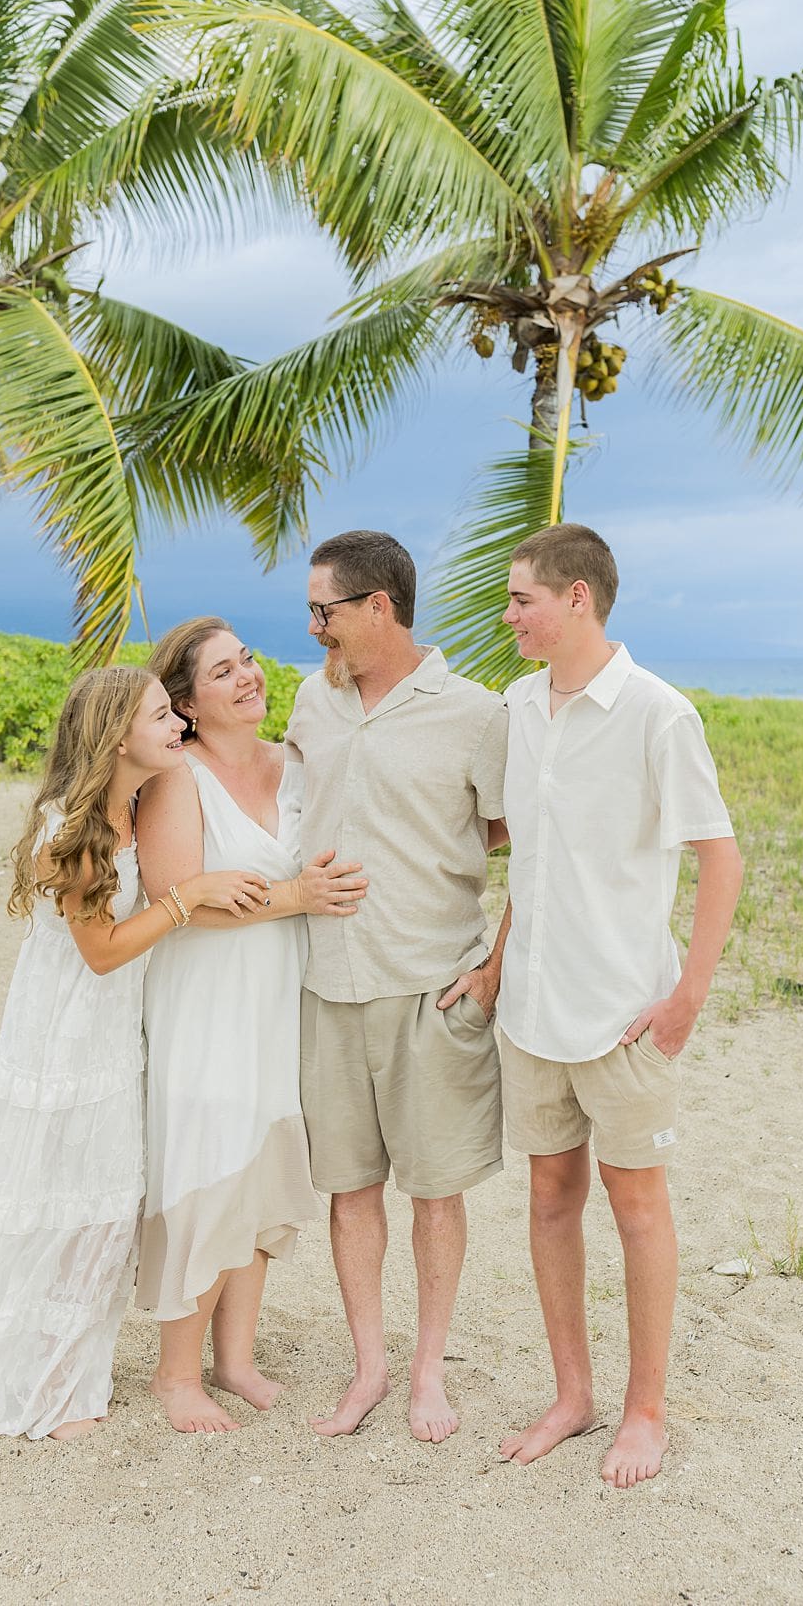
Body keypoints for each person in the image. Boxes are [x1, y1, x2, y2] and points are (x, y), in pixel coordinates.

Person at [442, 524, 743, 1488]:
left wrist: (687, 997)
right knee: (549, 1197)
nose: (508, 615)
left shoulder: (659, 713)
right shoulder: (519, 706)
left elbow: (721, 859)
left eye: (521, 598)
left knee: (638, 1206)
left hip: (623, 1012)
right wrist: (497, 966)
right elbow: (532, 862)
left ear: (578, 598)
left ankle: (645, 1410)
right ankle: (572, 1395)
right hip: (533, 1007)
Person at [0, 667, 270, 1448]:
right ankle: (39, 1384)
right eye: (161, 715)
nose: (178, 724)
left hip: (111, 1034)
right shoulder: (70, 829)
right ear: (116, 737)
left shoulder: (136, 805)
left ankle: (67, 1372)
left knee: (101, 1208)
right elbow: (102, 952)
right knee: (56, 1200)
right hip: (65, 1037)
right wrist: (188, 896)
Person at [286, 530, 509, 1444]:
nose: (313, 629)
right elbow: (292, 805)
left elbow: (515, 833)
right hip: (326, 982)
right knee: (349, 1189)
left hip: (431, 986)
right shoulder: (311, 699)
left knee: (436, 1191)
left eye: (324, 611)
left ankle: (429, 1370)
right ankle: (370, 1367)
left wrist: (494, 968)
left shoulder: (476, 713)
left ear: (379, 606)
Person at [135, 619, 368, 1434]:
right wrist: (296, 896)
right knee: (209, 1167)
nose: (247, 677)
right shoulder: (179, 777)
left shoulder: (295, 762)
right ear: (187, 704)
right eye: (223, 672)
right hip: (206, 997)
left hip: (280, 992)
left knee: (263, 1166)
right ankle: (175, 1373)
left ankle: (234, 1358)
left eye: (249, 661)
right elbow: (175, 895)